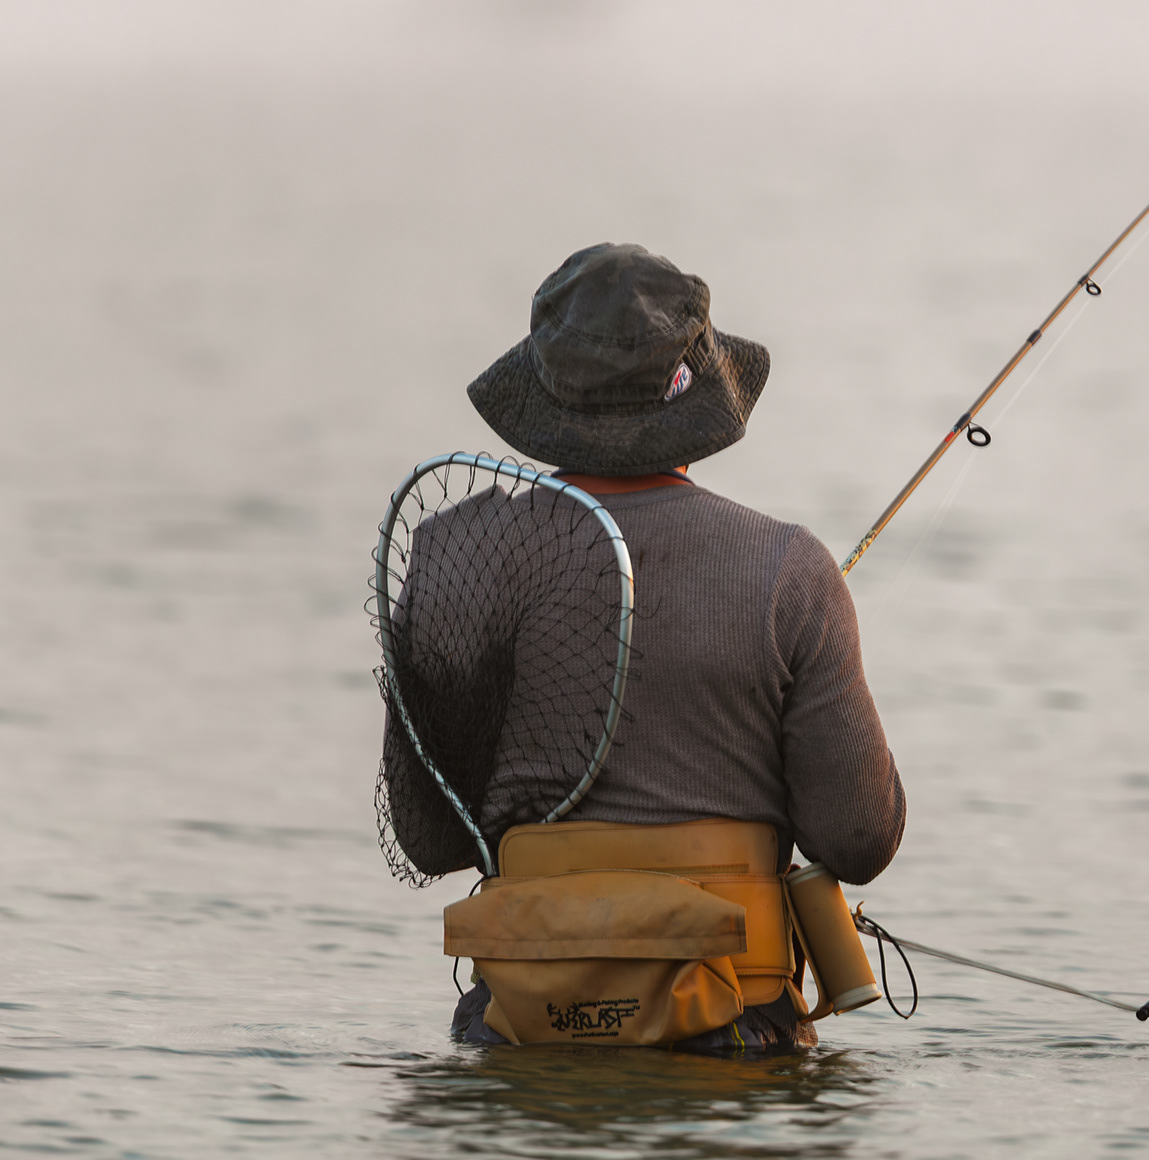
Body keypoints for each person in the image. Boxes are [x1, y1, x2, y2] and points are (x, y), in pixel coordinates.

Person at [383, 242, 905, 1053]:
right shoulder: (790, 570)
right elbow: (859, 841)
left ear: (545, 393)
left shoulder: (451, 555)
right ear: (693, 396)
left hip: (520, 1029)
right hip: (736, 1032)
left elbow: (430, 840)